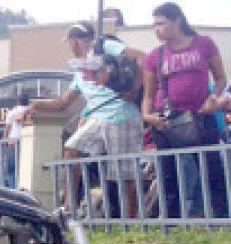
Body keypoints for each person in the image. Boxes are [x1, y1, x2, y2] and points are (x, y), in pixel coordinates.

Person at [22, 21, 144, 219]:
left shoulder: (103, 47)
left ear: (75, 41)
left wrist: (133, 90)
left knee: (124, 174)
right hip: (98, 118)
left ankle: (132, 220)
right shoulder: (79, 71)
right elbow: (63, 102)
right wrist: (36, 105)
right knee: (71, 148)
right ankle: (70, 206)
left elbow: (142, 58)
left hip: (122, 115)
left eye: (70, 42)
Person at [141, 2, 228, 218]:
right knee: (169, 173)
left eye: (161, 23)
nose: (156, 29)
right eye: (154, 24)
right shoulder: (155, 55)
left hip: (200, 116)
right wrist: (148, 116)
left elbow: (220, 78)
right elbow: (149, 95)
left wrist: (213, 98)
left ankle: (221, 220)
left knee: (211, 169)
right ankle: (171, 224)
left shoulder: (203, 44)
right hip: (166, 119)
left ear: (177, 20)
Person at [3, 93, 31, 188]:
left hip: (13, 141)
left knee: (12, 170)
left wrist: (5, 142)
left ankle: (13, 190)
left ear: (17, 101)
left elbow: (7, 129)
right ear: (28, 101)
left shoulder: (12, 112)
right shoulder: (30, 112)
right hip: (27, 141)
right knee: (25, 168)